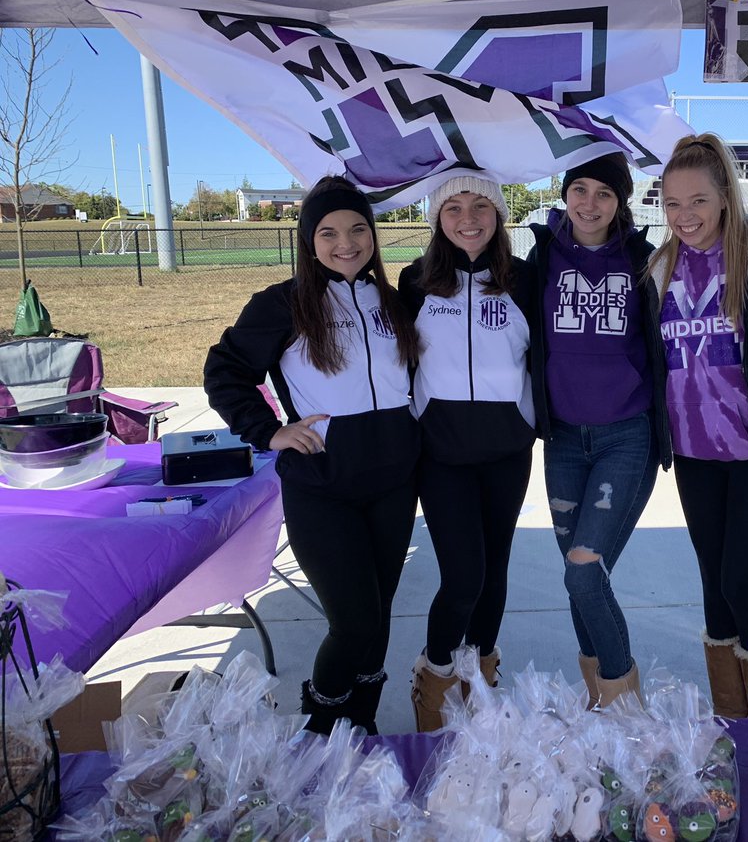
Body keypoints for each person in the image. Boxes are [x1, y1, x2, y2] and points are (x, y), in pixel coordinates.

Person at [204, 175, 419, 735]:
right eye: (328, 232)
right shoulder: (283, 304)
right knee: (353, 622)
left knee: (378, 618)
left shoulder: (393, 303)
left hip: (394, 484)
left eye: (356, 228)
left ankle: (362, 727)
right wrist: (268, 430)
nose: (345, 242)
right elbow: (224, 372)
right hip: (323, 487)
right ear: (309, 239)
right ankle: (322, 729)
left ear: (373, 234)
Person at [648, 132, 748, 720]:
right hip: (692, 452)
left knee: (743, 582)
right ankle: (734, 722)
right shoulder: (660, 266)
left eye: (698, 201)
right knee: (714, 588)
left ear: (725, 198)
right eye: (672, 204)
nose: (685, 216)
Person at [527, 152, 670, 708]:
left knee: (586, 575)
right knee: (574, 579)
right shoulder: (541, 258)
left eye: (604, 193)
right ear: (565, 194)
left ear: (621, 202)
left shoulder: (643, 259)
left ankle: (627, 709)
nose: (590, 203)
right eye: (579, 190)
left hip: (624, 437)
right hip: (564, 439)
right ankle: (601, 705)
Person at [398, 176, 537, 732]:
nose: (468, 218)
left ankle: (479, 677)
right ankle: (433, 678)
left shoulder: (525, 279)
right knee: (463, 578)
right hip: (441, 453)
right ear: (437, 218)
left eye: (481, 205)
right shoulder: (415, 282)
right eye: (453, 207)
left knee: (495, 570)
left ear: (500, 213)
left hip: (507, 450)